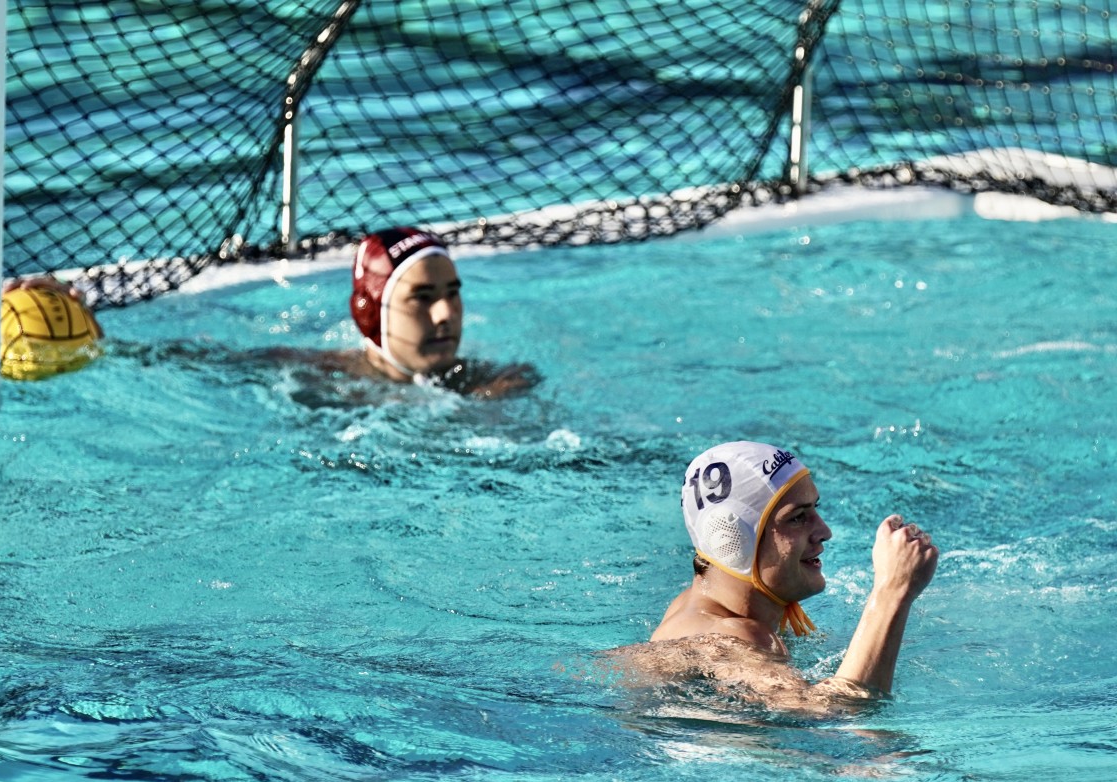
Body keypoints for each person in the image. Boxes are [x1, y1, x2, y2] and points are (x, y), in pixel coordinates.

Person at [611, 440, 938, 715]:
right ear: (734, 541)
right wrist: (892, 591)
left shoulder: (700, 603)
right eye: (798, 518)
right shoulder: (733, 636)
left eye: (816, 510)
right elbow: (835, 715)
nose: (824, 531)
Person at [226, 226, 537, 400]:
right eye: (423, 298)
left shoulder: (503, 384)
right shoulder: (309, 379)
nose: (445, 314)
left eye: (452, 293)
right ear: (369, 313)